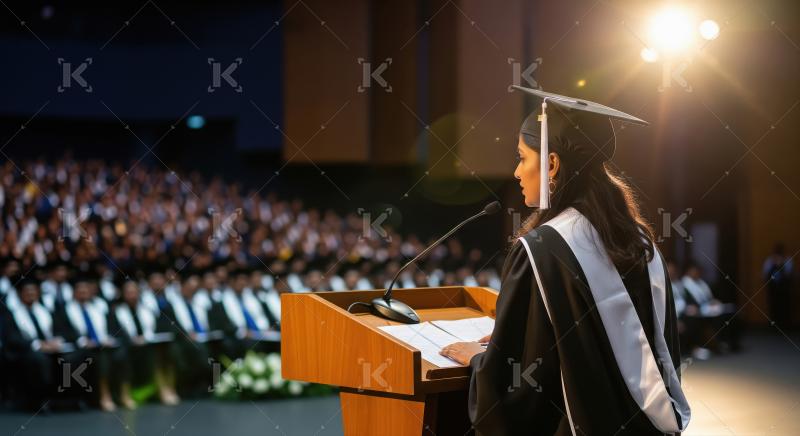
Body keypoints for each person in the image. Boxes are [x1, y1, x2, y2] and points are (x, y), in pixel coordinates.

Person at [440, 87, 690, 435]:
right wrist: (519, 333)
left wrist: (482, 360)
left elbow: (521, 390)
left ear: (552, 163)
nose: (516, 172)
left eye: (522, 157)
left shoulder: (542, 250)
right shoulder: (640, 241)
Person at [763, 243, 793, 328]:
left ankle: (786, 325)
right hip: (773, 288)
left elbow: (789, 273)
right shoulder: (769, 260)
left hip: (784, 288)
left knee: (785, 307)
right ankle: (774, 325)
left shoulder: (787, 260)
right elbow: (765, 273)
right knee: (773, 306)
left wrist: (780, 264)